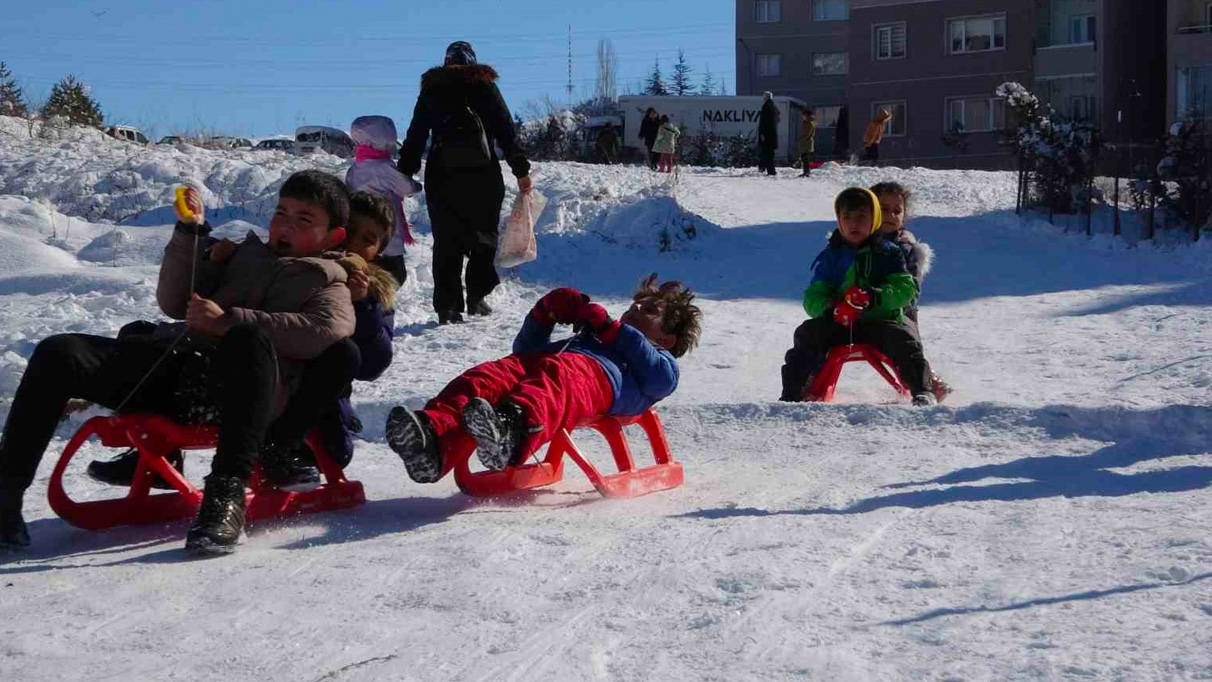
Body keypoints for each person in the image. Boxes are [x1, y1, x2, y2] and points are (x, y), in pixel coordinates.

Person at [0, 171, 356, 554]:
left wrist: (229, 321)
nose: (285, 226)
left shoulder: (330, 283)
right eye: (281, 213)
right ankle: (5, 497)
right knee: (60, 353)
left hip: (244, 399)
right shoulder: (240, 255)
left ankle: (225, 497)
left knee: (247, 339)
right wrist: (191, 234)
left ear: (333, 237)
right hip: (179, 374)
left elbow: (325, 331)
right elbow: (173, 301)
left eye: (303, 220)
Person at [385, 275, 702, 484]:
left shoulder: (662, 361)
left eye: (648, 309)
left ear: (668, 338)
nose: (634, 308)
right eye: (634, 303)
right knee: (486, 377)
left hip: (595, 381)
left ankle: (512, 433)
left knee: (558, 376)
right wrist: (545, 312)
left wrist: (614, 331)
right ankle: (434, 442)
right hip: (549, 363)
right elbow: (525, 350)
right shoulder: (596, 335)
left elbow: (659, 380)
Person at [398, 41, 532, 326]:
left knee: (447, 241)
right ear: (473, 61)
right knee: (484, 237)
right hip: (482, 175)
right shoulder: (484, 86)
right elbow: (505, 129)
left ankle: (447, 307)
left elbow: (417, 133)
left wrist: (405, 171)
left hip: (442, 176)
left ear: (445, 62)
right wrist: (520, 169)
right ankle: (476, 297)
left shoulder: (432, 89)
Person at [779, 187, 934, 406]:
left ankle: (922, 390)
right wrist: (831, 308)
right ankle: (793, 392)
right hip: (840, 323)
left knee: (904, 341)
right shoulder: (831, 256)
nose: (854, 224)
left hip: (880, 322)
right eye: (847, 217)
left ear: (875, 220)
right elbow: (813, 294)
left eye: (862, 217)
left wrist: (875, 297)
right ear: (839, 221)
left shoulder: (889, 253)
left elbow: (905, 289)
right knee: (807, 334)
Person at [870, 181, 952, 403]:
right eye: (884, 209)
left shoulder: (907, 249)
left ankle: (925, 385)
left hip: (898, 312)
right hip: (856, 311)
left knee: (904, 347)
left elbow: (911, 289)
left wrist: (882, 297)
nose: (890, 215)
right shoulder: (855, 241)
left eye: (897, 211)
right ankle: (811, 380)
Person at [345, 115, 422, 286]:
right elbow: (405, 188)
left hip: (362, 232)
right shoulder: (384, 167)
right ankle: (378, 303)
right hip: (387, 229)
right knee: (396, 274)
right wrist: (417, 186)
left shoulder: (355, 168)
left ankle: (369, 300)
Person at [757, 91, 780, 176]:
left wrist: (762, 133)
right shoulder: (774, 107)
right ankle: (764, 168)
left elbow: (763, 121)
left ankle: (770, 171)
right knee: (770, 153)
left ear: (765, 97)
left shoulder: (766, 106)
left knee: (766, 152)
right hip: (773, 133)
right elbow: (777, 118)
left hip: (767, 134)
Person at [799, 110, 817, 178]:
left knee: (805, 158)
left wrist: (801, 139)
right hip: (805, 143)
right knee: (804, 158)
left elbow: (807, 134)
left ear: (806, 115)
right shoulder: (806, 122)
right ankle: (805, 172)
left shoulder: (809, 123)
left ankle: (806, 172)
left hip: (806, 143)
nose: (802, 116)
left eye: (803, 115)